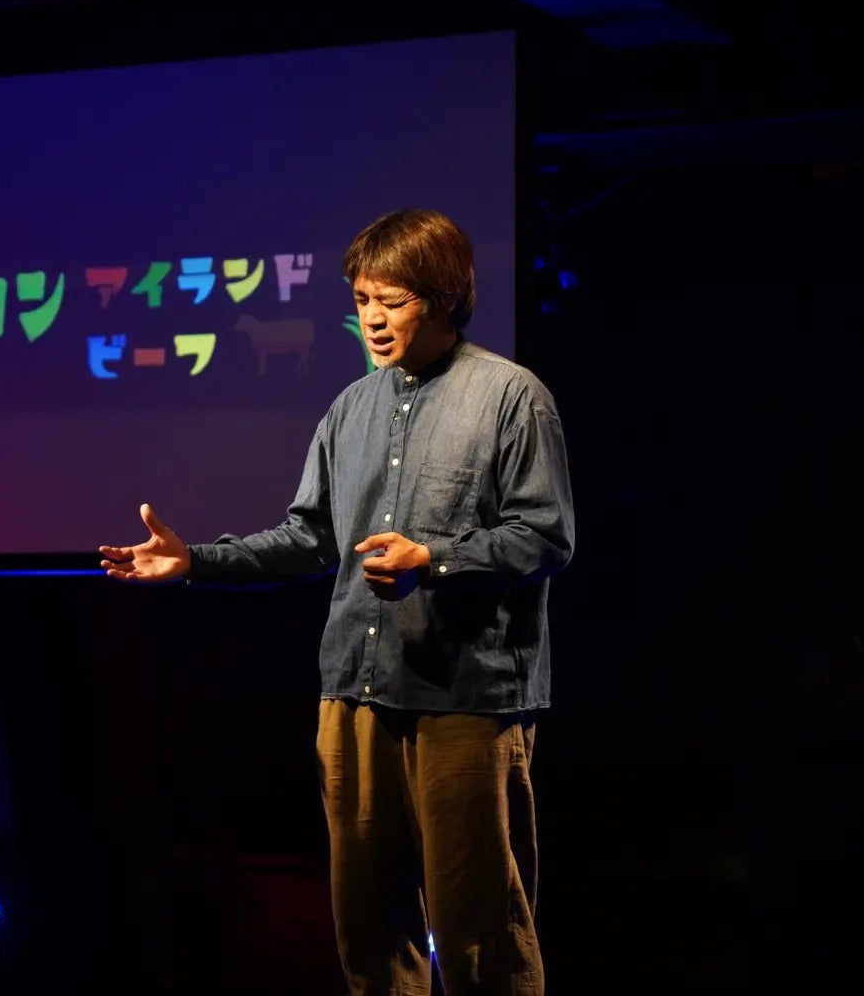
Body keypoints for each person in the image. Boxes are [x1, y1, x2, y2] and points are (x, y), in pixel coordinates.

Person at [98, 208, 574, 996]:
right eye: (361, 300)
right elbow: (309, 537)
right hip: (353, 694)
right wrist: (196, 562)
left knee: (480, 934)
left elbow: (545, 538)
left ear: (443, 297)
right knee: (370, 934)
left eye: (393, 300)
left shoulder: (510, 398)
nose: (373, 319)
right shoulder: (350, 409)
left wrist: (434, 561)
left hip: (466, 701)